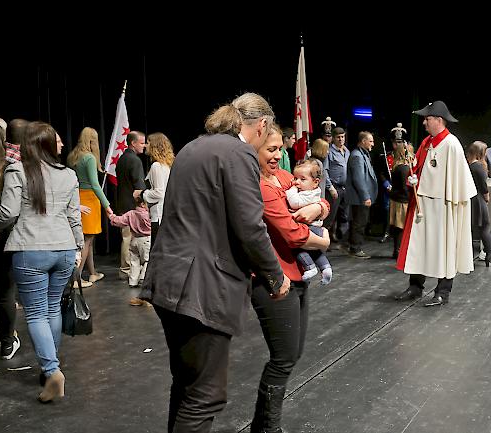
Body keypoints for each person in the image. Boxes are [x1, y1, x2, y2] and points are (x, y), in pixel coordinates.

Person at [139, 93, 289, 433]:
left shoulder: (193, 147)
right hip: (201, 288)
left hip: (169, 281)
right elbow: (250, 228)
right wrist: (276, 277)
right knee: (204, 395)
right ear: (262, 126)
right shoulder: (238, 154)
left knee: (187, 386)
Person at [0, 122, 83, 402]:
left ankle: (52, 370)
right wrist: (77, 246)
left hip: (30, 249)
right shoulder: (68, 174)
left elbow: (8, 212)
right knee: (52, 309)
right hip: (64, 247)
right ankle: (49, 368)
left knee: (37, 313)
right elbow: (74, 217)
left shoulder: (17, 170)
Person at [251, 125, 329, 432]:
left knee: (292, 354)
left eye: (280, 148)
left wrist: (318, 205)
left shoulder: (285, 179)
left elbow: (320, 197)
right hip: (272, 279)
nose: (277, 155)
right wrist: (322, 242)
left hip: (297, 276)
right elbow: (293, 234)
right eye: (270, 149)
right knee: (283, 357)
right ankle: (269, 428)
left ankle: (262, 425)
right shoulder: (260, 187)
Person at [394, 101, 476, 305]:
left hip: (442, 207)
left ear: (438, 120)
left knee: (443, 247)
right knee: (418, 246)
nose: (424, 122)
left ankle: (443, 291)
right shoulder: (427, 142)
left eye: (427, 119)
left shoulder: (451, 144)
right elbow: (419, 166)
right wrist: (414, 178)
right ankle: (415, 286)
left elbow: (458, 182)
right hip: (423, 204)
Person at [0, 123, 20, 375]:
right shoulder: (11, 168)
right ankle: (7, 345)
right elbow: (13, 208)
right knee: (7, 292)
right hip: (7, 236)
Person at [67, 127, 113, 288]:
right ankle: (76, 279)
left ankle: (92, 273)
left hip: (77, 198)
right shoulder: (90, 158)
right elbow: (95, 185)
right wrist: (106, 204)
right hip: (90, 199)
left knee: (88, 239)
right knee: (86, 241)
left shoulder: (73, 156)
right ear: (93, 140)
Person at [286, 160, 333, 284]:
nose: (297, 182)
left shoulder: (306, 194)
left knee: (298, 248)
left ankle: (310, 267)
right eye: (295, 178)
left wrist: (291, 189)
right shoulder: (312, 191)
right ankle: (326, 267)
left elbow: (294, 202)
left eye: (302, 179)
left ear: (315, 182)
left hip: (310, 227)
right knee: (315, 250)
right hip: (315, 227)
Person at [133, 132, 174, 248]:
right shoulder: (165, 166)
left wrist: (141, 193)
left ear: (155, 146)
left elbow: (159, 193)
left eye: (148, 143)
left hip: (159, 216)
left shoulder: (157, 166)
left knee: (157, 252)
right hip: (162, 215)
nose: (146, 145)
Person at [109, 196, 151, 303]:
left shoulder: (130, 213)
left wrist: (112, 216)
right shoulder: (147, 214)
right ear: (143, 204)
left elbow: (119, 221)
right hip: (145, 240)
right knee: (147, 260)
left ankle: (133, 281)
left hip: (134, 239)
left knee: (134, 261)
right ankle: (143, 277)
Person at [115, 131, 146, 279]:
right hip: (131, 205)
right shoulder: (135, 160)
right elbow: (138, 186)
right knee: (129, 238)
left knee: (127, 238)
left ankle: (127, 268)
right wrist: (143, 204)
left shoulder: (122, 159)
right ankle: (125, 269)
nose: (144, 146)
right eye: (141, 143)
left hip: (122, 202)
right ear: (133, 143)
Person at [466, 141, 491, 267]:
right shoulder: (479, 167)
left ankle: (468, 256)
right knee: (484, 228)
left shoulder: (470, 166)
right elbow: (483, 187)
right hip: (479, 200)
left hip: (471, 200)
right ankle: (489, 256)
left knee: (469, 229)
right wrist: (487, 197)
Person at [346, 131, 378, 259]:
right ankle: (355, 248)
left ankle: (353, 246)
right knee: (359, 223)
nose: (372, 144)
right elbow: (358, 179)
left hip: (362, 197)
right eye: (370, 141)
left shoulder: (362, 154)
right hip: (359, 198)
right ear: (363, 141)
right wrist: (365, 196)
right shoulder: (357, 156)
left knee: (360, 222)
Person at [323, 127, 350, 245]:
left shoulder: (347, 151)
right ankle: (324, 240)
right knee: (330, 216)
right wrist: (330, 187)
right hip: (334, 187)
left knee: (343, 215)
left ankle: (336, 236)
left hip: (345, 187)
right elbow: (325, 171)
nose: (341, 139)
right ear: (333, 138)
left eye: (342, 137)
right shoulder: (329, 152)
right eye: (338, 137)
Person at [388, 143, 414, 260]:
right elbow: (405, 187)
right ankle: (398, 251)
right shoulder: (404, 168)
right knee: (400, 227)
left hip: (397, 199)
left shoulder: (398, 166)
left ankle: (397, 250)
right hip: (402, 201)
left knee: (398, 226)